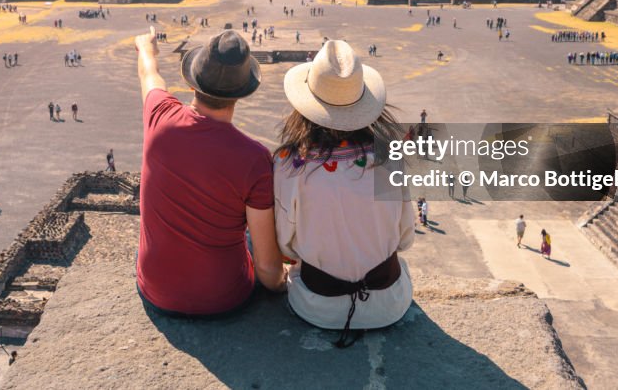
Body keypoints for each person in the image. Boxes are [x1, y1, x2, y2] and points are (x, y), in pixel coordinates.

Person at [135, 27, 286, 317]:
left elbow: (149, 75)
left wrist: (145, 47)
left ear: (193, 83)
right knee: (256, 235)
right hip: (224, 297)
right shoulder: (254, 158)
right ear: (241, 94)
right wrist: (284, 284)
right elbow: (268, 270)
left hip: (155, 289)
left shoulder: (159, 114)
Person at [274, 39, 413, 348]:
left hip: (317, 307)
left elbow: (286, 243)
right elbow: (405, 238)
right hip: (389, 303)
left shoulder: (290, 165)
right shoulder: (390, 157)